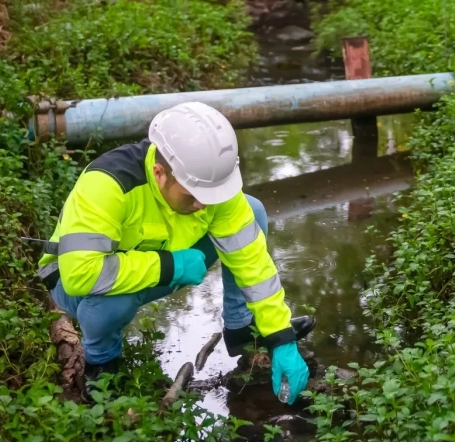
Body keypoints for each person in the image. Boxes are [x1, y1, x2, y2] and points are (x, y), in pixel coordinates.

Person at [35, 102, 312, 403]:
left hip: (169, 258)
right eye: (193, 196)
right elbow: (80, 274)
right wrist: (170, 266)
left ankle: (241, 327)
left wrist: (280, 336)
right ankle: (101, 363)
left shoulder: (209, 184)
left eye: (211, 196)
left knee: (252, 212)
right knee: (112, 304)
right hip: (79, 282)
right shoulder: (107, 185)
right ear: (159, 173)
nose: (203, 205)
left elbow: (252, 263)